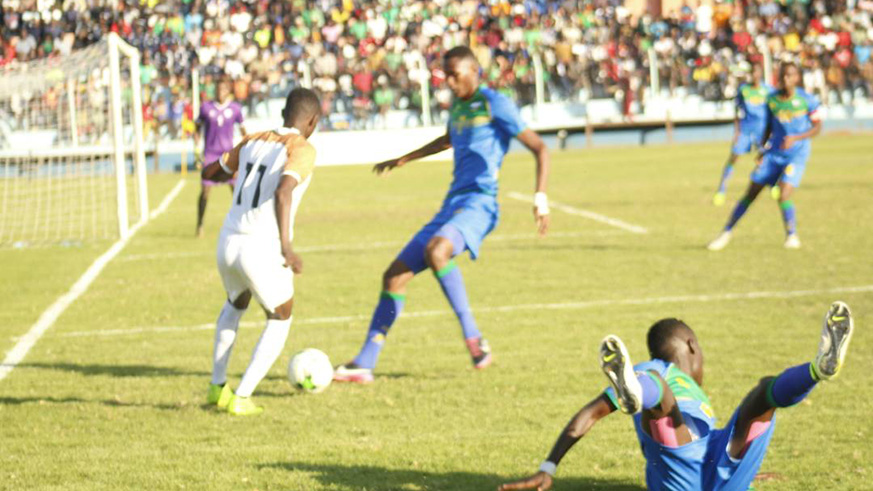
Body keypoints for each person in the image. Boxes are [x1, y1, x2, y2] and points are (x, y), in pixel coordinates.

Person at [333, 46, 551, 384]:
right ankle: (365, 362)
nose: (448, 82)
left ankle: (474, 339)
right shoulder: (460, 107)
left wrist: (540, 199)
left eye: (454, 75)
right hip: (453, 204)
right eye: (445, 75)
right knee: (394, 276)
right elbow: (447, 140)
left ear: (473, 71)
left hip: (481, 203)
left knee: (438, 251)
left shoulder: (495, 103)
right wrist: (403, 159)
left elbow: (540, 147)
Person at [499, 302, 855, 491]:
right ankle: (814, 372)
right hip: (703, 463)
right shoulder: (657, 366)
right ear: (691, 345)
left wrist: (549, 468)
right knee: (758, 399)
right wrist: (548, 468)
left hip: (702, 466)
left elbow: (589, 414)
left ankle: (820, 367)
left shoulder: (678, 383)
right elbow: (592, 412)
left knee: (755, 396)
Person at [201, 88, 321, 416]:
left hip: (228, 241)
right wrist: (287, 248)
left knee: (235, 304)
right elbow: (284, 192)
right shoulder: (303, 148)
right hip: (261, 245)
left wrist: (209, 168)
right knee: (280, 317)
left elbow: (211, 172)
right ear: (312, 121)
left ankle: (217, 386)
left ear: (284, 112)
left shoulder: (252, 139)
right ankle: (242, 396)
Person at [708, 62, 821, 251]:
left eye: (790, 75)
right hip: (774, 154)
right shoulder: (772, 99)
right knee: (751, 193)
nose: (786, 79)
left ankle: (791, 235)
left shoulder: (806, 100)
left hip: (796, 155)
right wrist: (763, 150)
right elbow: (769, 126)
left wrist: (796, 138)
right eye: (783, 76)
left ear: (796, 78)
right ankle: (726, 232)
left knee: (784, 194)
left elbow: (817, 127)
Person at [713, 64, 774, 206]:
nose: (755, 76)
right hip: (746, 129)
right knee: (734, 157)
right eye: (753, 73)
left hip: (763, 130)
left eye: (757, 73)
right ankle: (721, 190)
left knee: (765, 159)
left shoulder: (768, 91)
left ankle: (773, 185)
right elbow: (738, 110)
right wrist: (737, 131)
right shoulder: (743, 90)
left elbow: (773, 111)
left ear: (761, 74)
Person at [195, 78, 247, 238]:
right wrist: (196, 147)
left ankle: (243, 223)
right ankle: (200, 225)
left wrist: (246, 147)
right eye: (218, 89)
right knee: (205, 191)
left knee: (236, 190)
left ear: (228, 91)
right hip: (210, 154)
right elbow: (197, 127)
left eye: (223, 89)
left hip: (228, 155)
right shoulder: (206, 108)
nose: (220, 92)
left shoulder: (235, 109)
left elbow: (243, 129)